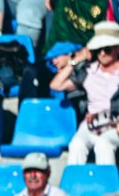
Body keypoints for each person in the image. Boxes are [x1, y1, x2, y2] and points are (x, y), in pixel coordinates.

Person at [51, 21, 119, 166]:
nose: (102, 53)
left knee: (104, 144)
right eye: (98, 48)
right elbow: (56, 85)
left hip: (115, 125)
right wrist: (76, 60)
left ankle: (108, 187)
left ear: (116, 49)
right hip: (92, 124)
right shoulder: (89, 71)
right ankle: (73, 185)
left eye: (107, 49)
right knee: (76, 145)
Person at [31, 0, 108, 66]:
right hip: (51, 56)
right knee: (29, 73)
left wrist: (71, 58)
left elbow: (103, 40)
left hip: (80, 62)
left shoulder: (105, 0)